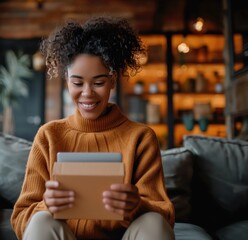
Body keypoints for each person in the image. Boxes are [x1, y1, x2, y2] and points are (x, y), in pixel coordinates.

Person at [11, 16, 175, 240]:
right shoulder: (48, 136)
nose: (87, 93)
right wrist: (46, 206)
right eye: (77, 83)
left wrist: (138, 204)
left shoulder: (141, 137)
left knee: (154, 223)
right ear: (67, 80)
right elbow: (21, 218)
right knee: (40, 221)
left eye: (98, 82)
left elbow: (164, 215)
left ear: (113, 80)